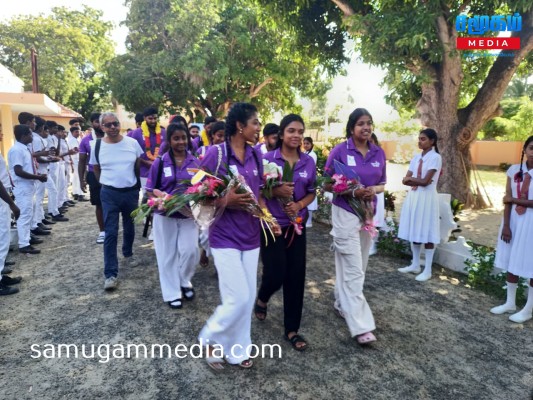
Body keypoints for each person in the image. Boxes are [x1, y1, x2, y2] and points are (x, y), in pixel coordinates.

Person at [198, 103, 279, 370]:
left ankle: (237, 349)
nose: (259, 128)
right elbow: (196, 194)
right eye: (255, 123)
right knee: (238, 298)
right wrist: (226, 199)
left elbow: (260, 197)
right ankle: (209, 338)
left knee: (247, 294)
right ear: (240, 126)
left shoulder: (256, 156)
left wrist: (269, 221)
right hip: (223, 236)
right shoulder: (215, 154)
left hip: (251, 236)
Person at [323, 108, 386, 345]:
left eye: (369, 123)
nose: (366, 127)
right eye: (361, 123)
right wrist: (351, 190)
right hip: (345, 212)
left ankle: (341, 303)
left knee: (360, 261)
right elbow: (327, 184)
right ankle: (361, 326)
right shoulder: (340, 151)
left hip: (367, 213)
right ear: (352, 128)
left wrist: (372, 190)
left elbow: (381, 184)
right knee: (353, 268)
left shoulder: (378, 153)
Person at [255, 114, 316, 351]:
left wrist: (300, 205)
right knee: (276, 272)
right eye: (291, 131)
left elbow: (311, 192)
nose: (297, 136)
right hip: (272, 226)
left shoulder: (308, 162)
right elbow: (258, 192)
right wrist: (275, 195)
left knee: (295, 277)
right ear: (281, 134)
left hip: (296, 225)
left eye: (300, 131)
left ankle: (292, 329)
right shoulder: (267, 159)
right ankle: (263, 297)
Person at [146, 124, 199, 309]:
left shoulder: (195, 162)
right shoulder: (160, 162)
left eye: (184, 137)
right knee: (167, 255)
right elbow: (149, 191)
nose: (181, 141)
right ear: (169, 141)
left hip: (188, 215)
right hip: (164, 215)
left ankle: (184, 280)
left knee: (191, 251)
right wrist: (159, 200)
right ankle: (172, 293)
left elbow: (202, 188)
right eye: (176, 138)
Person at [90, 112, 143, 291]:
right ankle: (110, 274)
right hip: (109, 193)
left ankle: (127, 252)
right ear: (102, 127)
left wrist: (134, 186)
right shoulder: (96, 146)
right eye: (108, 125)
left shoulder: (132, 143)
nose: (112, 127)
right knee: (110, 232)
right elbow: (96, 169)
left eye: (115, 123)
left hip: (130, 192)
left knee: (129, 226)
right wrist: (107, 184)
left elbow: (137, 165)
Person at [490, 135, 533, 323]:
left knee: (530, 263)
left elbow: (511, 199)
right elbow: (506, 198)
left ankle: (528, 308)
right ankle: (510, 302)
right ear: (525, 149)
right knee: (510, 259)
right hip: (514, 220)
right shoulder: (514, 170)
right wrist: (506, 225)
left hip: (530, 222)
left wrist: (514, 200)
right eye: (531, 147)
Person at [397, 129, 442, 282]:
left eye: (423, 139)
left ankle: (427, 269)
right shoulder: (416, 158)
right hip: (414, 196)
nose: (420, 141)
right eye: (419, 139)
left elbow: (425, 181)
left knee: (428, 231)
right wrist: (412, 179)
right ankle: (415, 264)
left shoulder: (435, 158)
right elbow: (405, 179)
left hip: (427, 198)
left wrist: (411, 180)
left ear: (432, 141)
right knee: (415, 228)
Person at [8, 125, 48, 254]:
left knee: (29, 212)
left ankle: (27, 237)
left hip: (29, 185)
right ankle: (24, 244)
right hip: (22, 186)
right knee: (24, 215)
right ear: (23, 136)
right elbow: (18, 171)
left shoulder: (24, 149)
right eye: (30, 134)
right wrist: (37, 176)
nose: (32, 136)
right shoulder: (16, 150)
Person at [197, 121, 225, 267]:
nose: (222, 139)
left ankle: (219, 266)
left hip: (225, 199)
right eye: (219, 135)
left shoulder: (229, 153)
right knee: (205, 234)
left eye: (225, 136)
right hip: (208, 197)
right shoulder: (203, 150)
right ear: (212, 135)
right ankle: (205, 251)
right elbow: (198, 175)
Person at [0, 131, 21, 295]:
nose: (2, 133)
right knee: (2, 236)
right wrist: (12, 203)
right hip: (1, 198)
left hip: (3, 195)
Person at [79, 112, 105, 243]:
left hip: (110, 173)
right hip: (93, 175)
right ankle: (102, 231)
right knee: (99, 204)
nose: (99, 124)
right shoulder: (86, 140)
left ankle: (111, 229)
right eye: (96, 121)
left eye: (101, 121)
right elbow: (82, 161)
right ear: (92, 123)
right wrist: (81, 179)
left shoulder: (112, 137)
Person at [128, 107, 167, 195]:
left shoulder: (164, 132)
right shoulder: (136, 133)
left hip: (161, 171)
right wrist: (146, 162)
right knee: (148, 198)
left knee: (161, 197)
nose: (153, 121)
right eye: (150, 118)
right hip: (144, 172)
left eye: (155, 118)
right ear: (144, 118)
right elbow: (133, 153)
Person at [369, 133, 385, 255]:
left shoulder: (380, 155)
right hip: (365, 193)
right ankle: (367, 243)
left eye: (371, 141)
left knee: (375, 220)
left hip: (377, 192)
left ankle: (373, 244)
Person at [302, 136, 318, 228]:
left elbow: (310, 167)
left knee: (311, 200)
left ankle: (309, 221)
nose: (305, 145)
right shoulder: (305, 153)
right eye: (304, 143)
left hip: (310, 177)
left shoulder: (313, 155)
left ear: (311, 144)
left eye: (307, 143)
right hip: (304, 176)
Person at [67, 126, 84, 201]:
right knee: (79, 177)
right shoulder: (72, 140)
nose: (78, 133)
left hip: (76, 160)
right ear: (72, 133)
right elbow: (76, 150)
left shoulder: (76, 139)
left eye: (79, 131)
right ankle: (80, 194)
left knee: (76, 178)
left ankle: (76, 193)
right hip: (76, 160)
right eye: (76, 132)